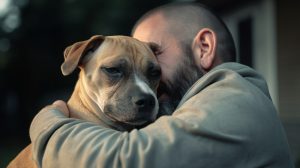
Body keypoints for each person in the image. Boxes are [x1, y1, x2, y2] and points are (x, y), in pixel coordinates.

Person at [29, 2, 294, 167]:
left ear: (204, 48)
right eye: (116, 70)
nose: (145, 90)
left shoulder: (235, 101)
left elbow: (124, 160)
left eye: (153, 59)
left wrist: (47, 123)